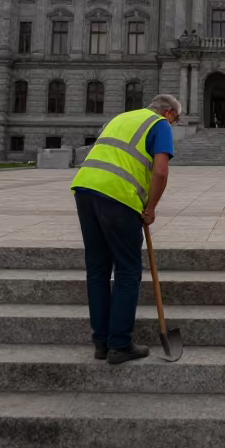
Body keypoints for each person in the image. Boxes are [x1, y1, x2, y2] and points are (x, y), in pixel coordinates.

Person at [71, 93, 181, 365]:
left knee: (97, 269)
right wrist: (151, 207)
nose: (174, 125)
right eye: (176, 120)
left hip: (85, 188)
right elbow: (160, 171)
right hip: (118, 196)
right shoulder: (159, 124)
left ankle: (101, 342)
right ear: (168, 113)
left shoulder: (120, 118)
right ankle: (119, 344)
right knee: (128, 270)